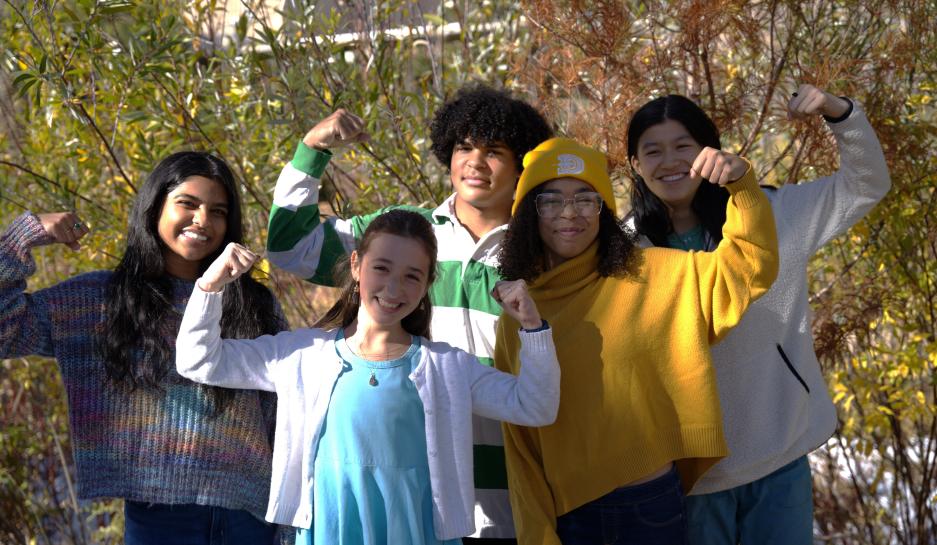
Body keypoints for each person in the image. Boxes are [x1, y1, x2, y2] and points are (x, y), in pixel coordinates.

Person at [265, 84, 552, 543]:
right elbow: (288, 245)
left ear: (522, 165)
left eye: (494, 151)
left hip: (515, 497)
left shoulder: (547, 249)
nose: (475, 162)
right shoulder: (404, 236)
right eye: (464, 147)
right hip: (418, 505)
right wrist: (312, 150)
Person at [175, 209, 561, 544]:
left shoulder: (447, 367)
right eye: (381, 268)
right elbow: (199, 361)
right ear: (357, 264)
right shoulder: (302, 356)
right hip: (331, 529)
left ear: (428, 283)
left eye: (412, 276)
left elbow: (536, 406)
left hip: (419, 531)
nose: (393, 288)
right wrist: (210, 286)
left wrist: (532, 326)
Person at [625, 85, 890, 544]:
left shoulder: (774, 214)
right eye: (653, 151)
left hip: (778, 456)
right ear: (634, 165)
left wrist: (839, 113)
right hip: (690, 476)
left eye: (683, 146)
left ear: (712, 149)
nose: (670, 162)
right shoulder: (621, 250)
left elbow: (866, 184)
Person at [493, 136, 780, 544]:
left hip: (651, 509)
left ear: (605, 212)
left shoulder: (659, 273)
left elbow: (750, 267)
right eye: (551, 200)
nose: (569, 213)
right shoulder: (519, 313)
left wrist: (742, 187)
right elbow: (520, 445)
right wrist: (537, 534)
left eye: (586, 199)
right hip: (569, 516)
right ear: (529, 214)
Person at [0, 152, 286, 544]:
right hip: (159, 520)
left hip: (248, 516)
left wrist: (287, 521)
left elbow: (280, 414)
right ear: (155, 208)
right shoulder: (101, 300)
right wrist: (24, 236)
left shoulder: (253, 303)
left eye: (218, 211)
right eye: (187, 204)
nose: (203, 220)